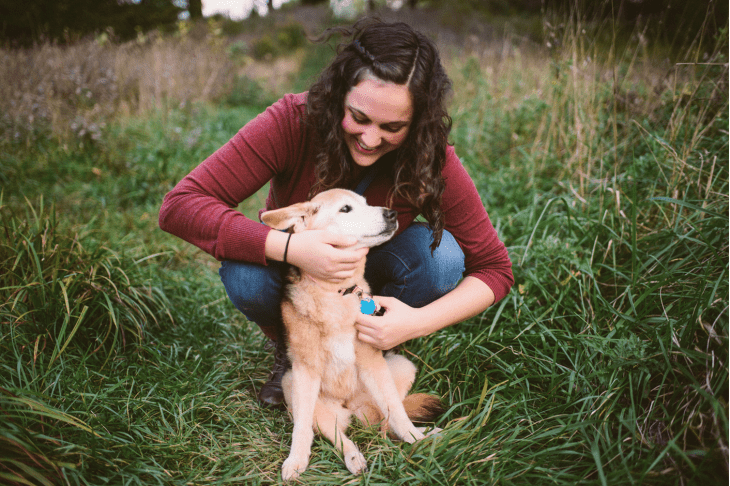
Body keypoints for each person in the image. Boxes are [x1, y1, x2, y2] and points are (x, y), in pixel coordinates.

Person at [159, 18, 514, 408]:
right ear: (338, 94)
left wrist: (416, 322)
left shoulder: (429, 156)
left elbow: (495, 269)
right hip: (298, 277)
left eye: (393, 126)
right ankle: (295, 350)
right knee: (245, 275)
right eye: (359, 118)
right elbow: (180, 205)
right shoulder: (293, 121)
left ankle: (369, 346)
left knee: (442, 259)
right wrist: (295, 249)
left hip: (370, 276)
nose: (370, 138)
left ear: (418, 124)